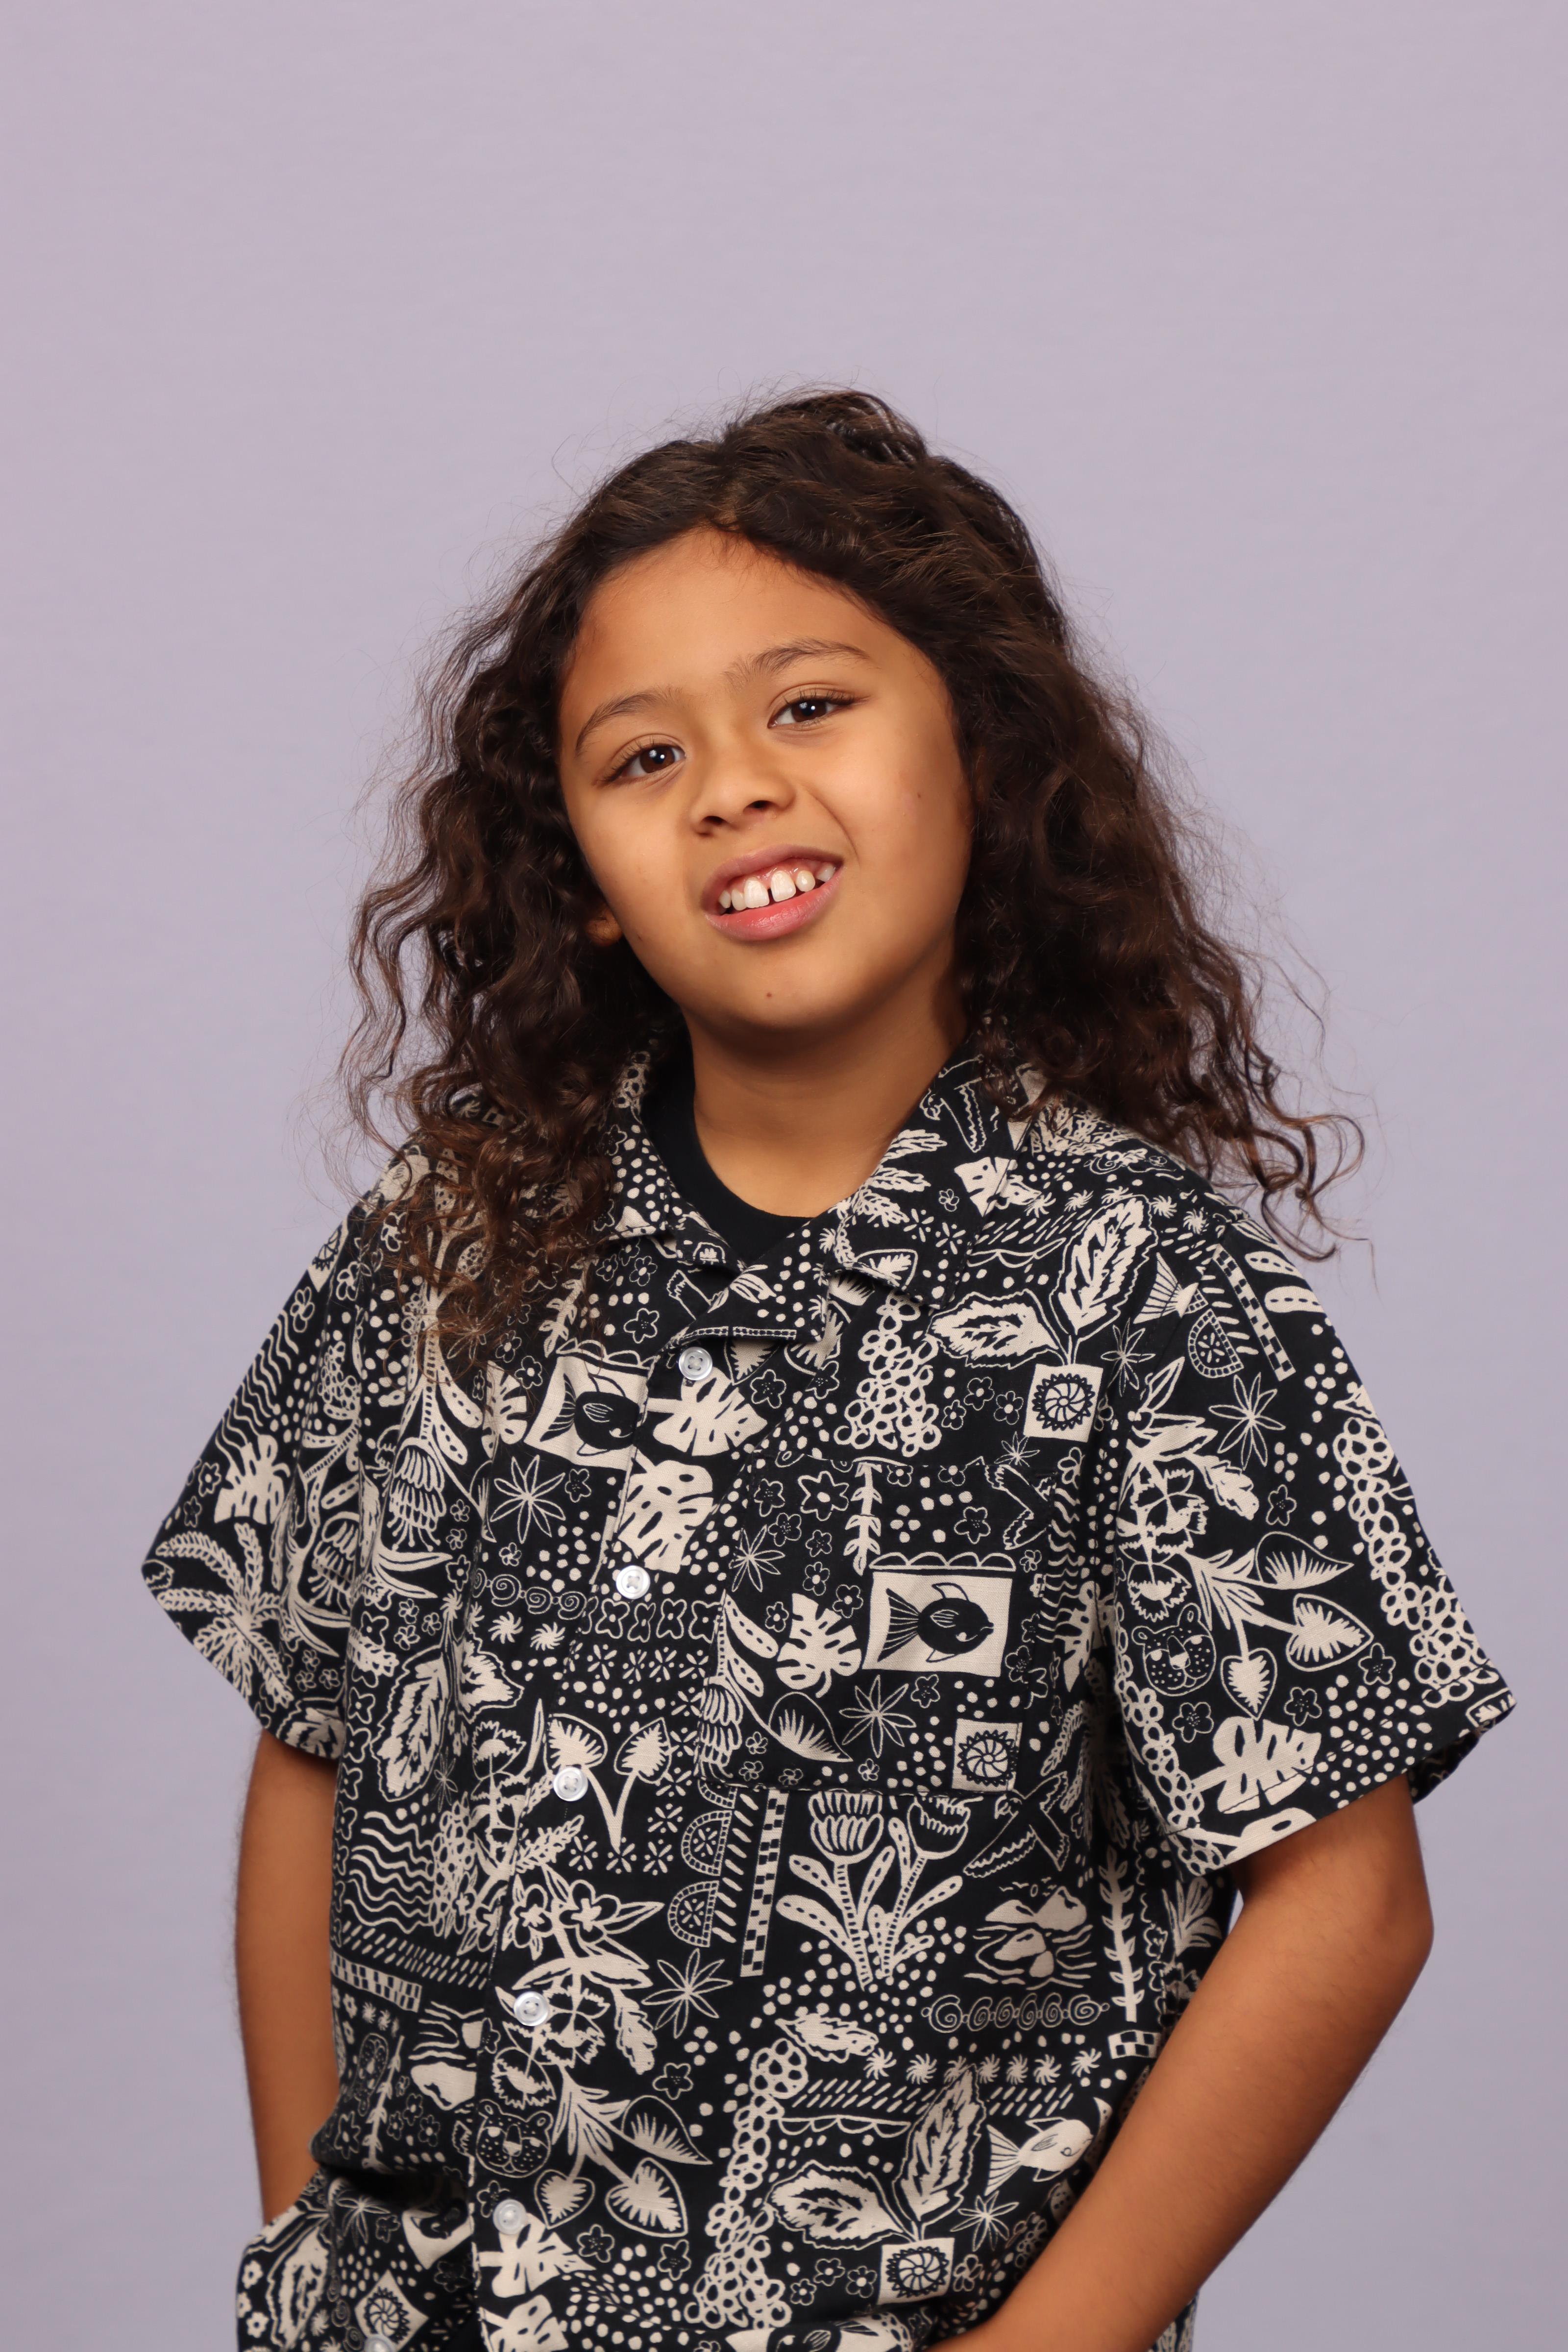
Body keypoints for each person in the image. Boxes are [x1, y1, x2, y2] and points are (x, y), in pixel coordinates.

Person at [142, 390, 1514, 2352]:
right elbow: (311, 1736)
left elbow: (1349, 1901)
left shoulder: (1145, 1292)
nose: (731, 788)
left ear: (984, 758)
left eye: (807, 705)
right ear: (583, 875)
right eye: (644, 756)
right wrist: (308, 2248)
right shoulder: (448, 1237)